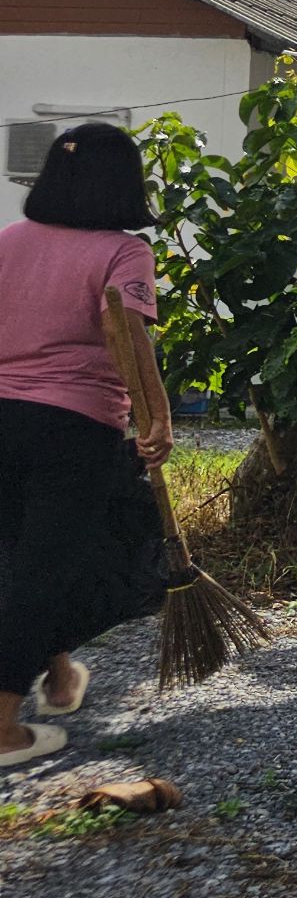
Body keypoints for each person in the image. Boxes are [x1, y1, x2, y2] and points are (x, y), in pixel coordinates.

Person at [0, 123, 175, 769]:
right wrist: (157, 417)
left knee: (20, 556)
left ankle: (58, 677)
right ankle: (3, 730)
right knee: (49, 568)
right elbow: (122, 329)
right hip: (72, 427)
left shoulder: (8, 240)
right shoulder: (124, 252)